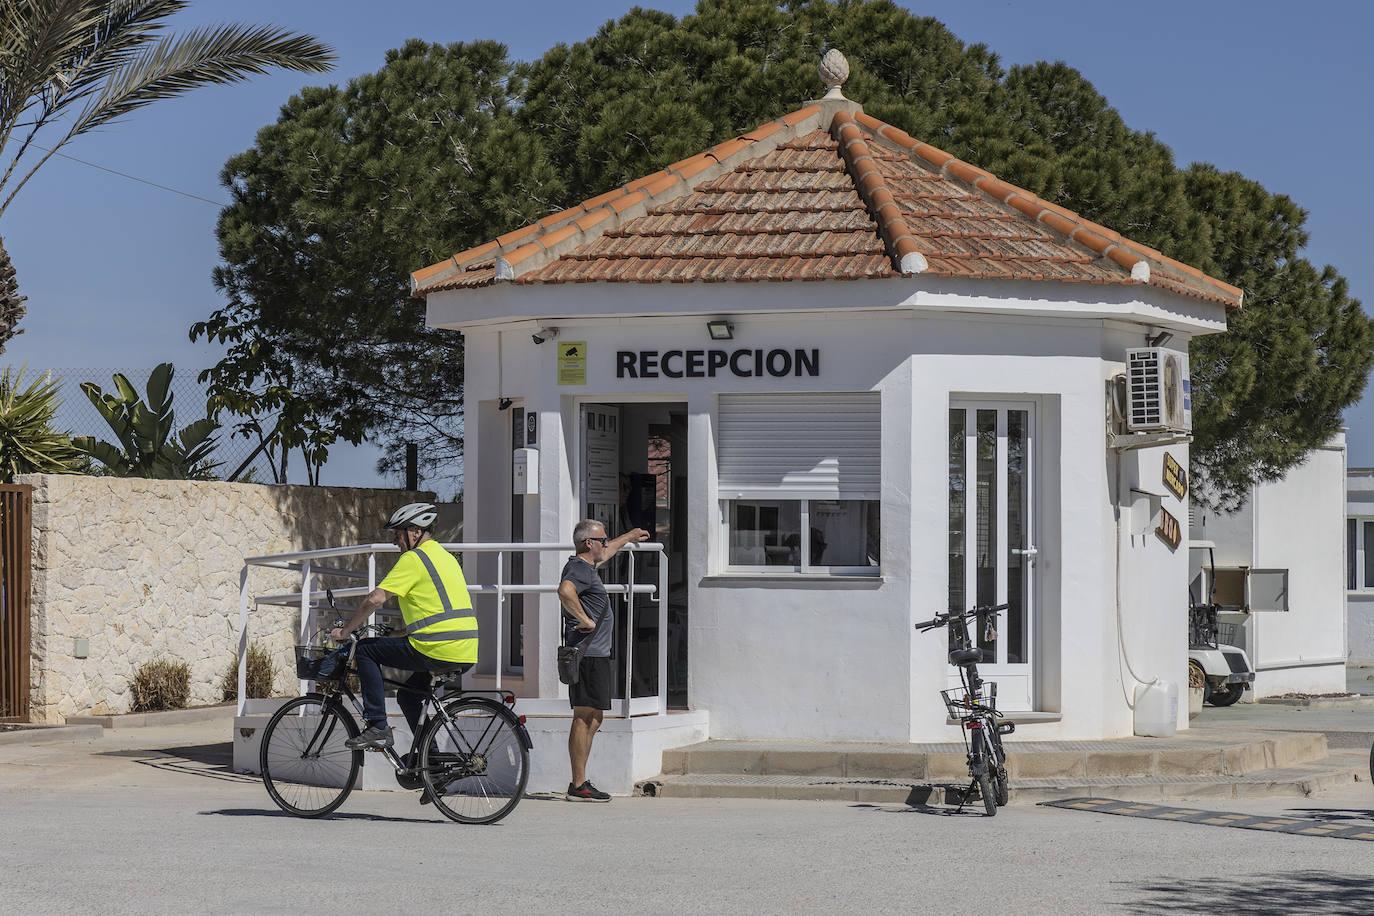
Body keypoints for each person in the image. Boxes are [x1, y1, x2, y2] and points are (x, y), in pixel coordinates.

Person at [329, 503, 478, 754]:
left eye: (398, 534)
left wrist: (345, 633)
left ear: (415, 532)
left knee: (366, 651)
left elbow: (375, 599)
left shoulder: (414, 558)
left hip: (435, 646)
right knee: (408, 697)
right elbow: (435, 607)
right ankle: (431, 764)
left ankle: (377, 726)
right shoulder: (446, 557)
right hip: (465, 648)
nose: (395, 541)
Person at [557, 518, 649, 802]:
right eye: (602, 539)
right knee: (584, 718)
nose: (606, 544)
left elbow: (607, 553)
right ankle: (578, 784)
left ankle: (580, 781)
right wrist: (584, 619)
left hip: (596, 655)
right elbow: (564, 590)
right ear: (588, 543)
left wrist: (630, 535)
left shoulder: (586, 565)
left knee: (594, 718)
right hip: (587, 655)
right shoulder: (578, 569)